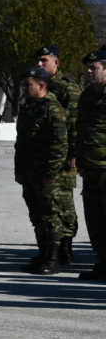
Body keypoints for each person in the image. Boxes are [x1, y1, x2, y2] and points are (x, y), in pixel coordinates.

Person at [16, 67, 70, 275]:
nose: (23, 88)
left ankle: (53, 258)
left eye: (27, 85)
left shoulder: (52, 109)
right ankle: (43, 254)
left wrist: (51, 173)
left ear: (41, 85)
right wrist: (19, 169)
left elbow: (60, 144)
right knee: (36, 217)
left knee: (50, 217)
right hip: (30, 173)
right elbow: (21, 143)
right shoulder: (28, 107)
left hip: (46, 175)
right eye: (23, 85)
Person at [34, 45, 81, 266]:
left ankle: (65, 248)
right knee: (46, 204)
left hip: (63, 157)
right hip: (43, 155)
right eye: (38, 61)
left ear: (57, 63)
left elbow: (73, 124)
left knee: (63, 202)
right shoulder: (38, 86)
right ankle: (49, 249)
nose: (39, 64)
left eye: (44, 60)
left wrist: (72, 152)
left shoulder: (67, 89)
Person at [76, 50, 106, 280]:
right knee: (95, 217)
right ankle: (102, 261)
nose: (88, 72)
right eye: (87, 68)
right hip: (90, 167)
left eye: (93, 68)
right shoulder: (87, 96)